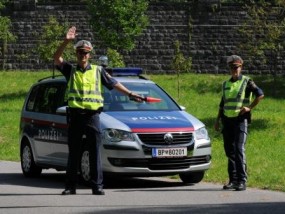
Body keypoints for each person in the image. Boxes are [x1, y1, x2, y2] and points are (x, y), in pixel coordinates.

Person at [53, 26, 143, 195]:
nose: (83, 55)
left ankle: (97, 186)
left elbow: (114, 83)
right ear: (76, 54)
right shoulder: (70, 70)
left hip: (92, 116)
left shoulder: (97, 70)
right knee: (74, 152)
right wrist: (66, 41)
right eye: (80, 52)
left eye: (86, 53)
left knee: (94, 151)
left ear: (90, 54)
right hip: (75, 116)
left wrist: (130, 93)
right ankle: (70, 186)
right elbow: (56, 57)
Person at [214, 55, 264, 191]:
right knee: (229, 151)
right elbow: (222, 104)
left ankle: (242, 180)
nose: (234, 70)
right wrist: (217, 121)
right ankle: (233, 180)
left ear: (241, 67)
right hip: (227, 121)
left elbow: (260, 94)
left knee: (238, 149)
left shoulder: (247, 81)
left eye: (236, 67)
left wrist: (249, 107)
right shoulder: (225, 84)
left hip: (240, 120)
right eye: (231, 68)